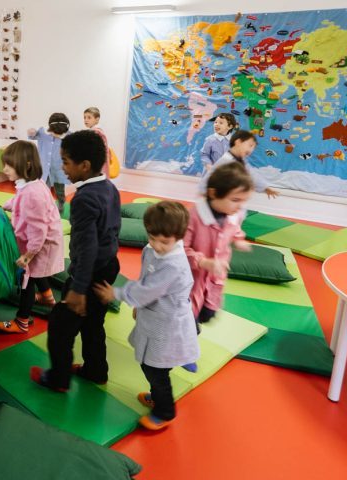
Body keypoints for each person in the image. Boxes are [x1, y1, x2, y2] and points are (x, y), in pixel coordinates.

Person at [93, 201, 199, 431]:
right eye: (152, 238)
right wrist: (138, 305)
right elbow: (145, 282)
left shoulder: (174, 263)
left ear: (179, 238)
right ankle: (166, 382)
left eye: (165, 242)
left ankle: (165, 410)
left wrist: (117, 293)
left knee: (154, 368)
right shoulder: (150, 251)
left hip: (167, 322)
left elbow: (147, 290)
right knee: (155, 361)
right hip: (154, 315)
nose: (157, 246)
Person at [31, 130, 120, 392]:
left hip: (88, 273)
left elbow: (88, 247)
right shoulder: (109, 188)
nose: (62, 167)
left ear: (84, 166)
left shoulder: (83, 199)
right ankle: (96, 370)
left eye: (66, 161)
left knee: (60, 328)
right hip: (108, 267)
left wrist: (79, 289)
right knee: (93, 323)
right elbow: (113, 230)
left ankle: (58, 379)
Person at [0, 140, 65, 334]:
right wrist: (6, 206)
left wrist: (28, 254)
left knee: (28, 280)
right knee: (37, 272)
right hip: (43, 241)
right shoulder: (32, 184)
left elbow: (38, 230)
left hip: (41, 244)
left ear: (26, 164)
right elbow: (18, 199)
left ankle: (22, 321)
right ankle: (47, 296)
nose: (4, 169)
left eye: (9, 165)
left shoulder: (32, 194)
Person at [186, 162, 254, 327]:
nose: (239, 206)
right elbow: (180, 249)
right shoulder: (193, 216)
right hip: (191, 280)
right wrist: (202, 261)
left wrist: (239, 239)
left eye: (243, 202)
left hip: (215, 278)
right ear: (213, 193)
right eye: (235, 200)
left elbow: (235, 228)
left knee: (208, 314)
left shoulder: (233, 215)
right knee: (188, 319)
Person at [198, 130, 279, 199]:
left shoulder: (241, 161)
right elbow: (209, 177)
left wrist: (265, 188)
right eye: (250, 145)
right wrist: (203, 192)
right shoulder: (226, 160)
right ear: (238, 142)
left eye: (253, 148)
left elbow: (251, 174)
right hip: (216, 198)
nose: (251, 150)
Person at [27, 113, 70, 212]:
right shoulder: (43, 132)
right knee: (43, 188)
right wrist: (31, 131)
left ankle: (61, 203)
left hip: (59, 168)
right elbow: (32, 135)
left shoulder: (67, 135)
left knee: (59, 189)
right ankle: (44, 205)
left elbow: (75, 139)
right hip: (44, 168)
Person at [83, 106, 112, 177]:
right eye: (84, 117)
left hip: (96, 164)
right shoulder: (97, 131)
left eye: (89, 117)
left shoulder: (95, 132)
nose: (86, 120)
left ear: (97, 119)